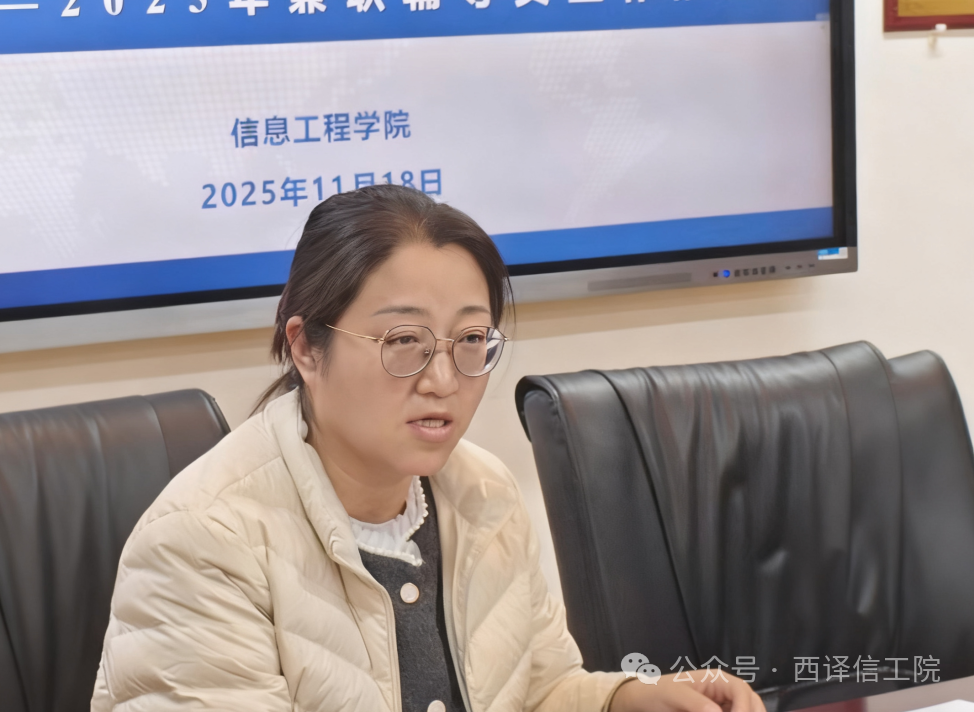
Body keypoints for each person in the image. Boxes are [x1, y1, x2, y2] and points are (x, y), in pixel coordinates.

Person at [91, 185, 765, 712]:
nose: (442, 379)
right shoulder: (204, 541)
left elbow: (537, 690)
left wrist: (629, 700)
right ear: (305, 347)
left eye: (470, 341)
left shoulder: (483, 492)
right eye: (403, 342)